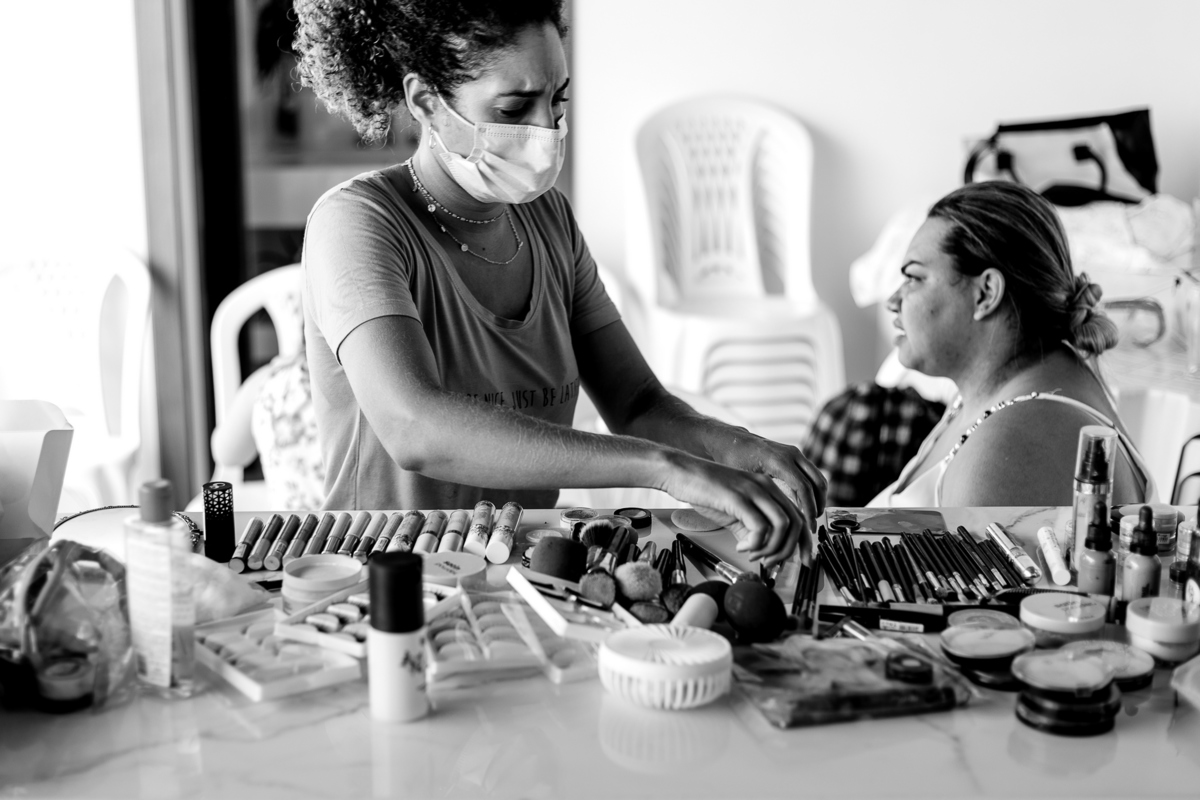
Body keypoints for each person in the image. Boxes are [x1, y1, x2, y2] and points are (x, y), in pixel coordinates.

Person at [291, 0, 824, 565]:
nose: (547, 128)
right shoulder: (357, 223)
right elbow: (415, 427)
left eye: (558, 99)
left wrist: (748, 451)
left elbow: (638, 402)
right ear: (426, 100)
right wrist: (665, 469)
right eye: (517, 106)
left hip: (522, 569)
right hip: (386, 575)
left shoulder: (549, 222)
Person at [871, 181, 1153, 507]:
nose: (893, 300)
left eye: (914, 277)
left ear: (986, 293)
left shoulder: (1011, 447)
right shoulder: (995, 399)